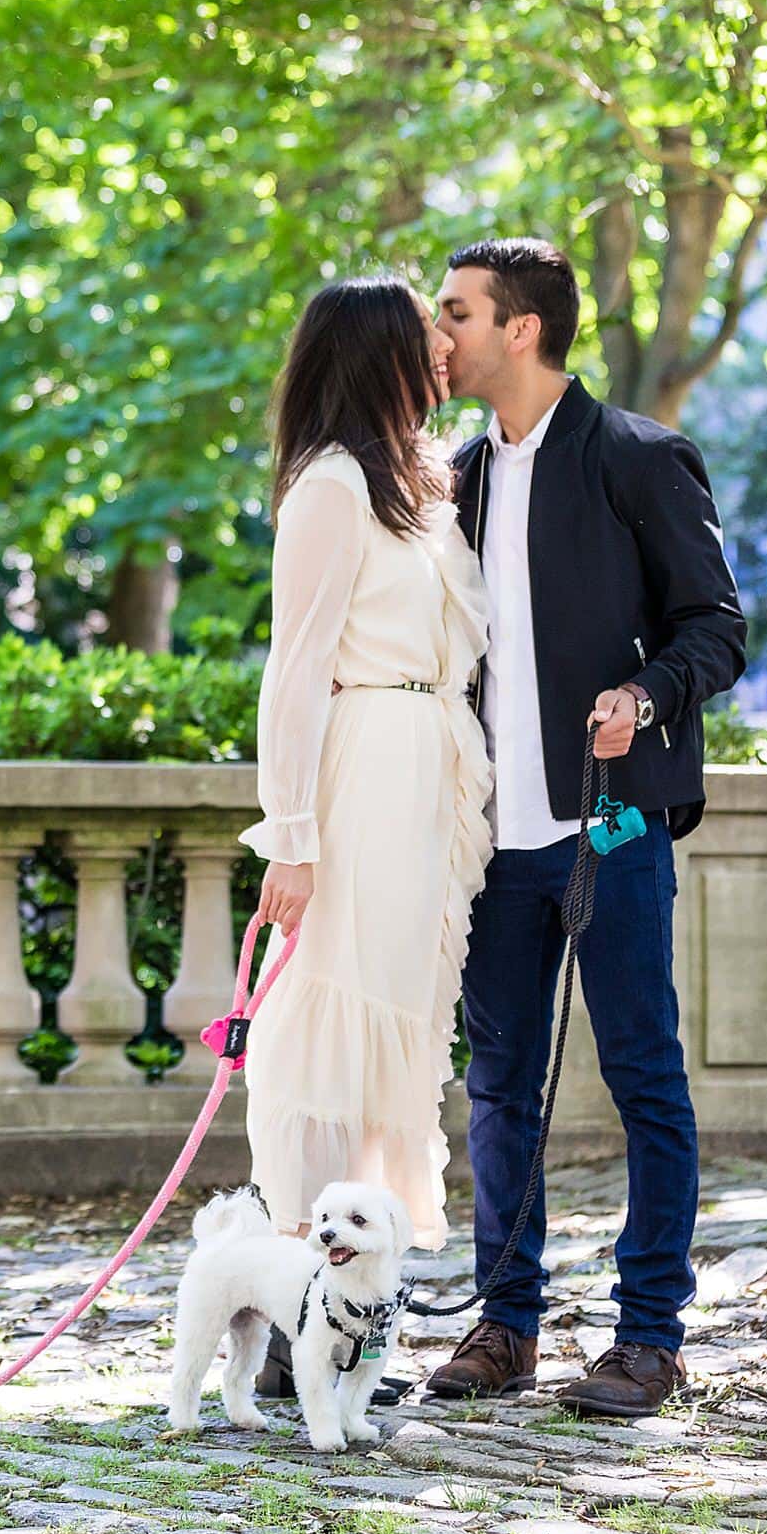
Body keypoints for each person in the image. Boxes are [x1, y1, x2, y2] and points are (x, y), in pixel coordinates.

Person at [426, 238, 747, 1419]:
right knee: (501, 1086)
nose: (437, 331)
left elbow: (715, 627)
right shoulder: (449, 480)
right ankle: (505, 1321)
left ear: (520, 329)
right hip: (491, 840)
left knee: (641, 1072)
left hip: (610, 825)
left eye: (454, 312)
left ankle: (648, 1336)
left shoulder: (639, 458)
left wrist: (644, 694)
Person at [241, 276, 495, 1353]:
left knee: (397, 1027)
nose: (443, 349)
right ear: (374, 356)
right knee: (325, 1033)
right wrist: (290, 835)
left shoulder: (419, 481)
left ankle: (357, 1318)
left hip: (433, 775)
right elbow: (292, 673)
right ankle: (306, 1296)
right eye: (423, 334)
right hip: (360, 778)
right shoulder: (330, 487)